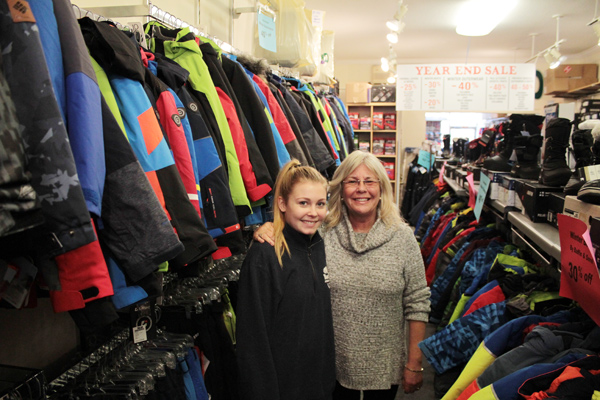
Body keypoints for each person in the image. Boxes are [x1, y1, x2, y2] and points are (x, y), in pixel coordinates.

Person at [254, 151, 430, 399]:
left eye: (369, 181)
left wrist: (414, 363)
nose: (361, 189)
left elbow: (417, 302)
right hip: (328, 368)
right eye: (352, 181)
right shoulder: (321, 231)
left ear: (381, 188)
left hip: (384, 366)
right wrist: (270, 226)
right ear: (340, 188)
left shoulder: (402, 238)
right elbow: (293, 228)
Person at [236, 159, 336, 400]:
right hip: (282, 388)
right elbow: (252, 339)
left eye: (320, 204)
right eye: (303, 203)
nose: (313, 212)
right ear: (282, 203)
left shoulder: (322, 245)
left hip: (318, 385)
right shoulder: (265, 255)